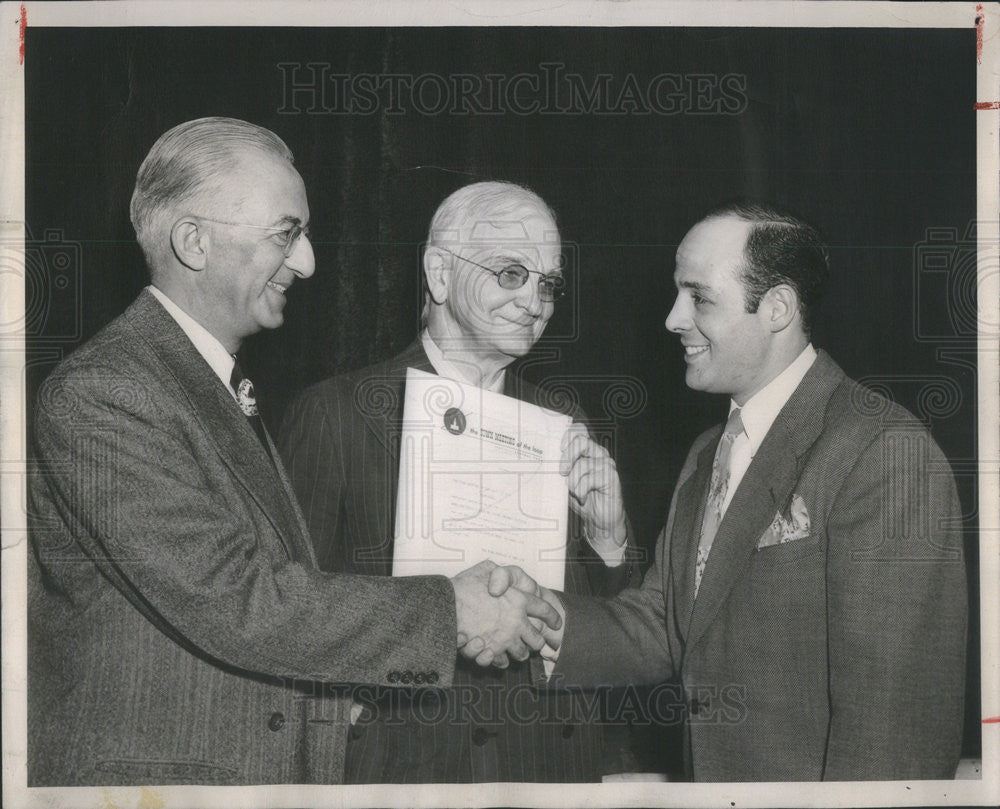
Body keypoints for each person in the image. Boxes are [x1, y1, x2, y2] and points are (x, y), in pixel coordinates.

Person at [26, 118, 560, 787]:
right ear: (195, 242)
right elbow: (233, 599)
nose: (307, 261)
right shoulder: (106, 392)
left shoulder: (204, 384)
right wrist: (452, 610)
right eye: (287, 233)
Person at [489, 200, 969, 781]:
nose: (672, 318)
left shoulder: (883, 453)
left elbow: (895, 732)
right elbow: (662, 626)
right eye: (676, 293)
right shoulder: (705, 453)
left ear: (778, 308)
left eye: (699, 297)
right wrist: (536, 613)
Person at [279, 181, 636, 782]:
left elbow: (615, 631)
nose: (536, 302)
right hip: (406, 771)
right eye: (511, 273)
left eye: (548, 283)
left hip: (548, 769)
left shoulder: (565, 425)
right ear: (440, 274)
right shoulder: (336, 414)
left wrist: (610, 536)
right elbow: (290, 614)